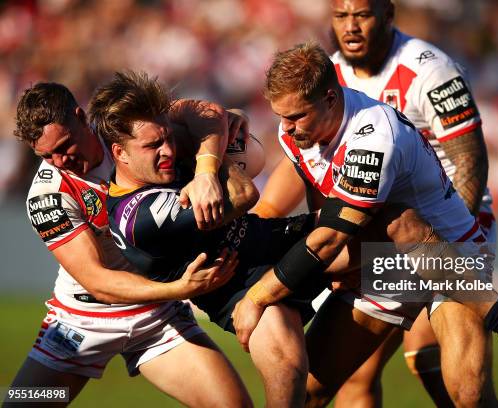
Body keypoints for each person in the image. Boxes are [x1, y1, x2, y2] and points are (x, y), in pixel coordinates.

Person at [232, 41, 498, 408]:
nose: (287, 129)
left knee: (469, 399)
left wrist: (256, 297)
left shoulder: (373, 135)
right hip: (386, 258)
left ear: (329, 98)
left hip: (448, 255)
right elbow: (324, 203)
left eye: (296, 117)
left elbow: (332, 236)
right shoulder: (295, 132)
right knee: (309, 393)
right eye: (281, 117)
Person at [251, 0, 493, 405]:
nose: (351, 27)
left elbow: (469, 158)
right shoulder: (322, 77)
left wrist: (447, 249)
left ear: (387, 14)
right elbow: (318, 177)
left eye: (361, 14)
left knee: (460, 388)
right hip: (377, 232)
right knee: (349, 381)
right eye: (340, 15)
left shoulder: (430, 70)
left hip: (444, 231)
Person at [5, 81, 253, 407]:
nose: (59, 160)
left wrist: (209, 163)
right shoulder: (47, 195)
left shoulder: (125, 130)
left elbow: (206, 114)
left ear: (81, 117)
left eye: (64, 145)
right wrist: (180, 289)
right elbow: (98, 281)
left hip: (155, 319)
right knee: (21, 404)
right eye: (46, 155)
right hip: (81, 324)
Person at [93, 70, 330, 408]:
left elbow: (210, 114)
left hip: (279, 239)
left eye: (168, 137)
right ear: (120, 153)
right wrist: (213, 149)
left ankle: (432, 286)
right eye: (152, 146)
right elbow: (244, 193)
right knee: (287, 363)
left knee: (401, 243)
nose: (167, 150)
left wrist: (208, 155)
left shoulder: (161, 147)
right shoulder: (140, 217)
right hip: (241, 287)